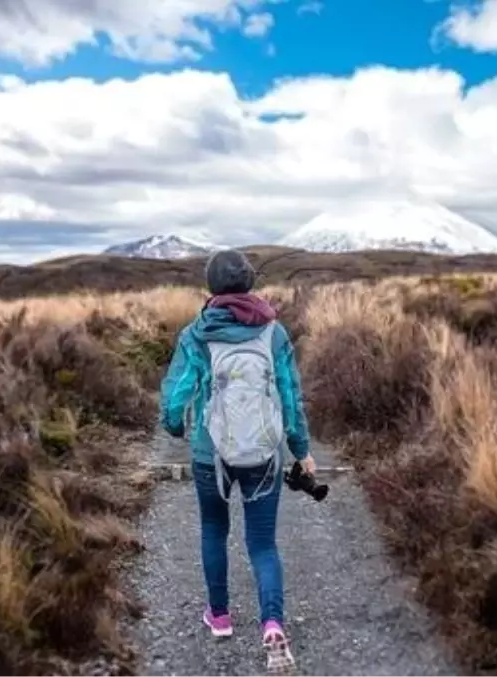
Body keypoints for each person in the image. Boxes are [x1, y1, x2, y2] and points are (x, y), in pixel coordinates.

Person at [159, 248, 314, 673]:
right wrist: (301, 450)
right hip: (264, 454)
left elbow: (177, 393)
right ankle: (271, 624)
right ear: (248, 282)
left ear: (211, 286)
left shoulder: (196, 333)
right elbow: (289, 397)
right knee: (263, 544)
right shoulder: (274, 332)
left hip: (212, 455)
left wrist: (173, 426)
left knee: (214, 529)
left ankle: (221, 617)